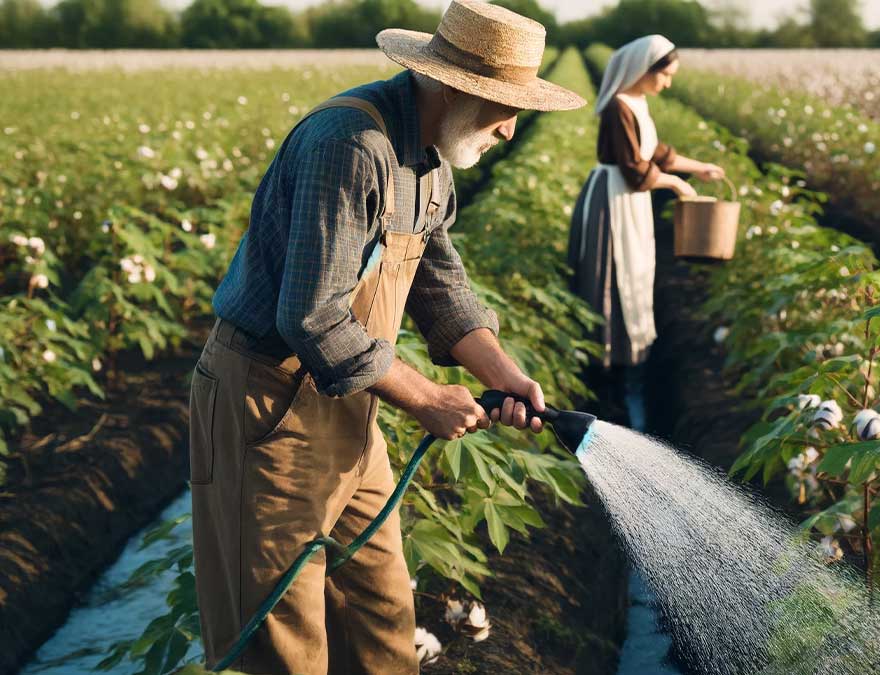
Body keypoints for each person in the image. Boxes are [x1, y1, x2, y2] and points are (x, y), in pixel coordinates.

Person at [186, 2, 585, 673]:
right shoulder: (352, 146)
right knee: (285, 635)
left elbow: (440, 287)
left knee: (382, 612)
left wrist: (503, 373)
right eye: (504, 110)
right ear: (459, 90)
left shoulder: (429, 163)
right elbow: (312, 316)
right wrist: (427, 396)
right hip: (269, 407)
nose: (511, 131)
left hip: (348, 407)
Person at [567, 35, 724, 426]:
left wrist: (696, 167)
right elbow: (635, 171)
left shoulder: (637, 104)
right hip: (614, 200)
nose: (667, 83)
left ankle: (626, 371)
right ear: (644, 70)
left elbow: (655, 153)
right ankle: (611, 378)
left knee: (634, 271)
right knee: (613, 273)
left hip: (629, 200)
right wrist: (675, 184)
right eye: (665, 75)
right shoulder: (618, 107)